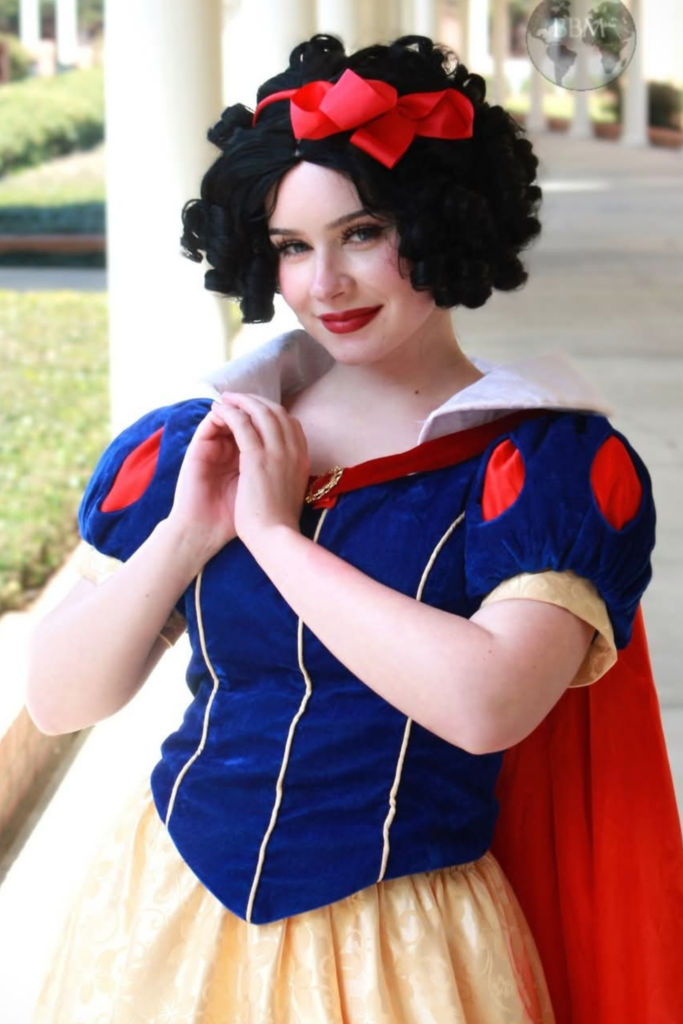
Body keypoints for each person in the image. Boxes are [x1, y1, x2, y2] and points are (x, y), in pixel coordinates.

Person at [28, 33, 683, 1024]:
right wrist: (187, 535)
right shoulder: (197, 441)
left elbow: (485, 705)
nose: (323, 284)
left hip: (401, 951)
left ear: (443, 222)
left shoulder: (538, 466)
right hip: (162, 913)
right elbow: (57, 697)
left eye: (362, 232)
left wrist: (275, 539)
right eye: (292, 246)